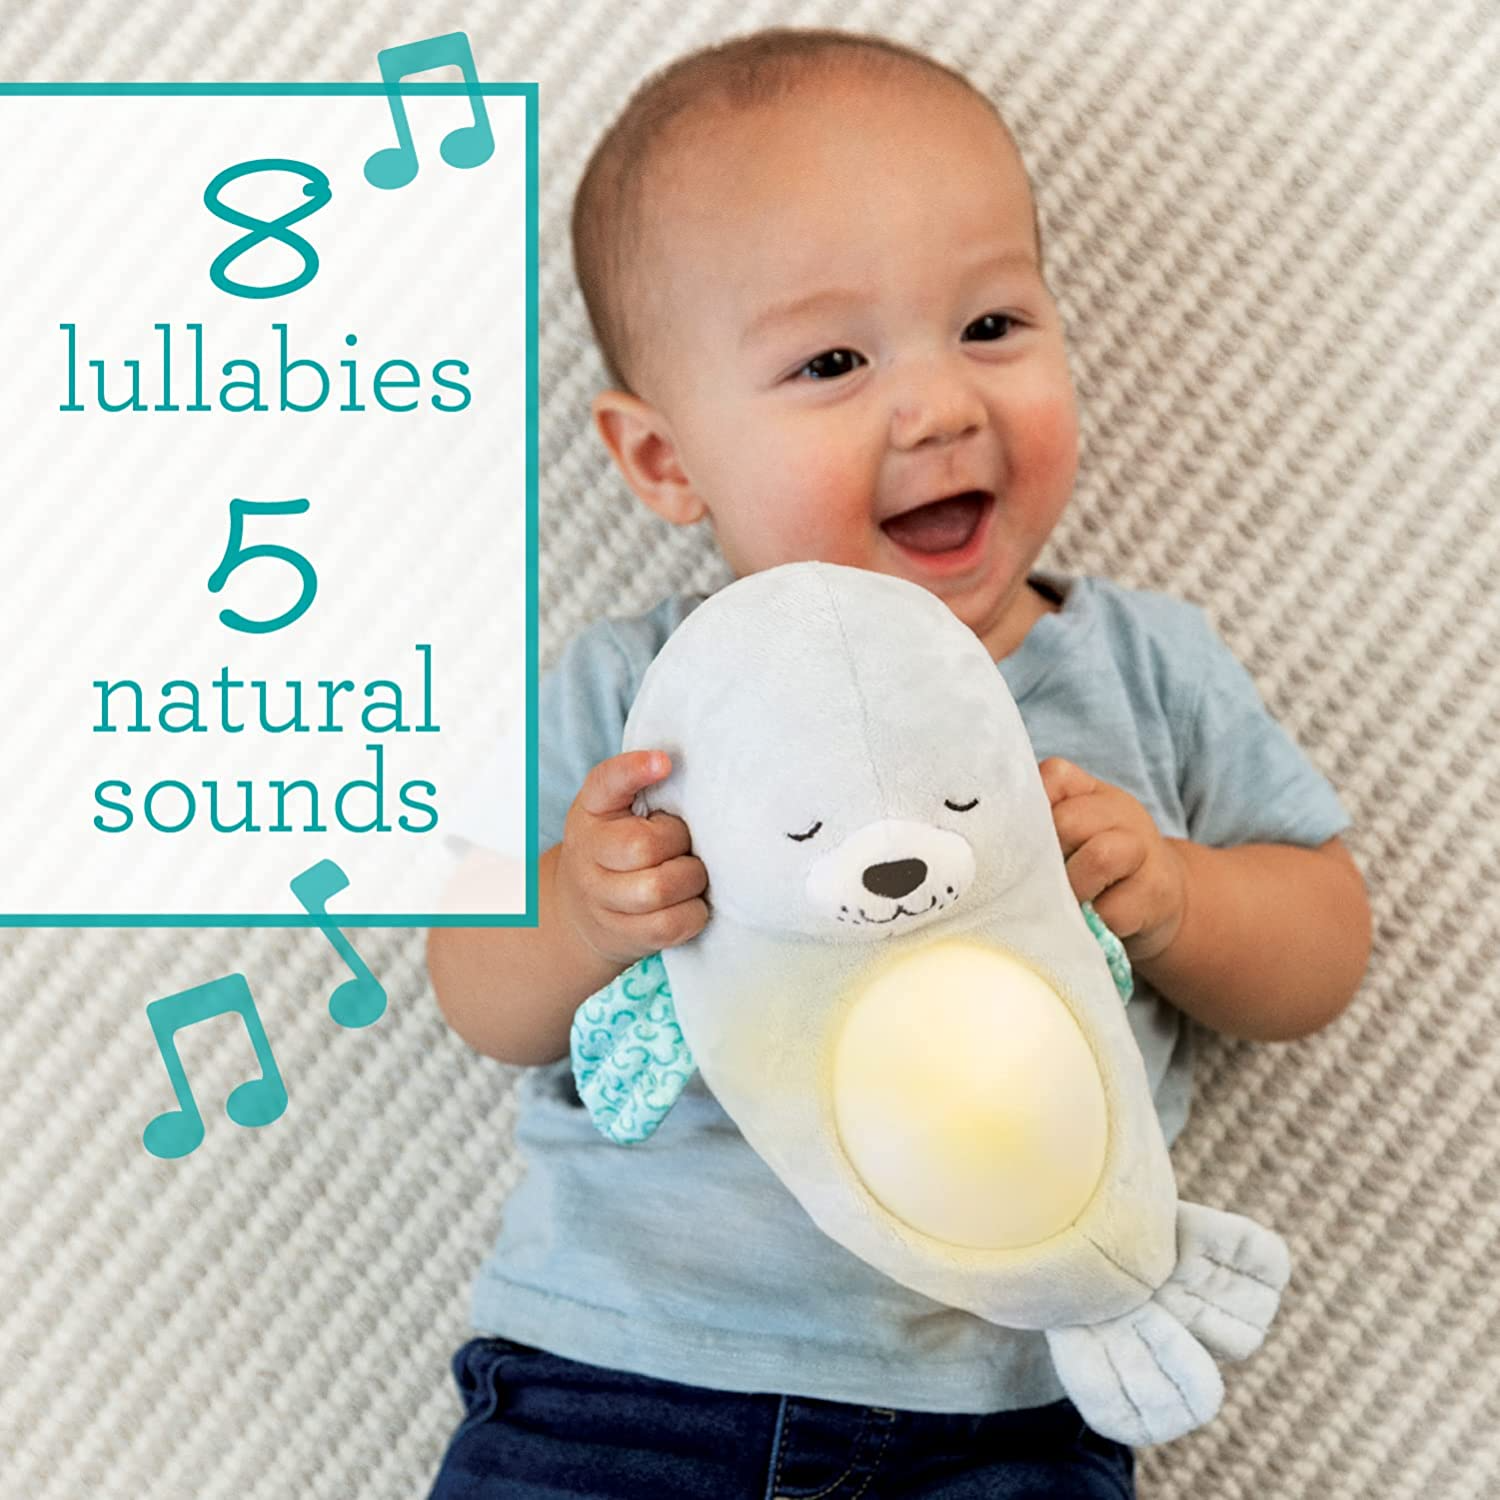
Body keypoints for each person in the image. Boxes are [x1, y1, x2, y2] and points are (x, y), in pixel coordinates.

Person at [425, 26, 1373, 1499]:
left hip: (1008, 1404)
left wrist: (1181, 898)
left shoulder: (1140, 666)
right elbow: (474, 987)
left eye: (990, 326)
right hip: (628, 1375)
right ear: (665, 461)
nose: (939, 406)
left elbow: (1322, 948)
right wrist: (587, 914)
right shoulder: (639, 694)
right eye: (832, 361)